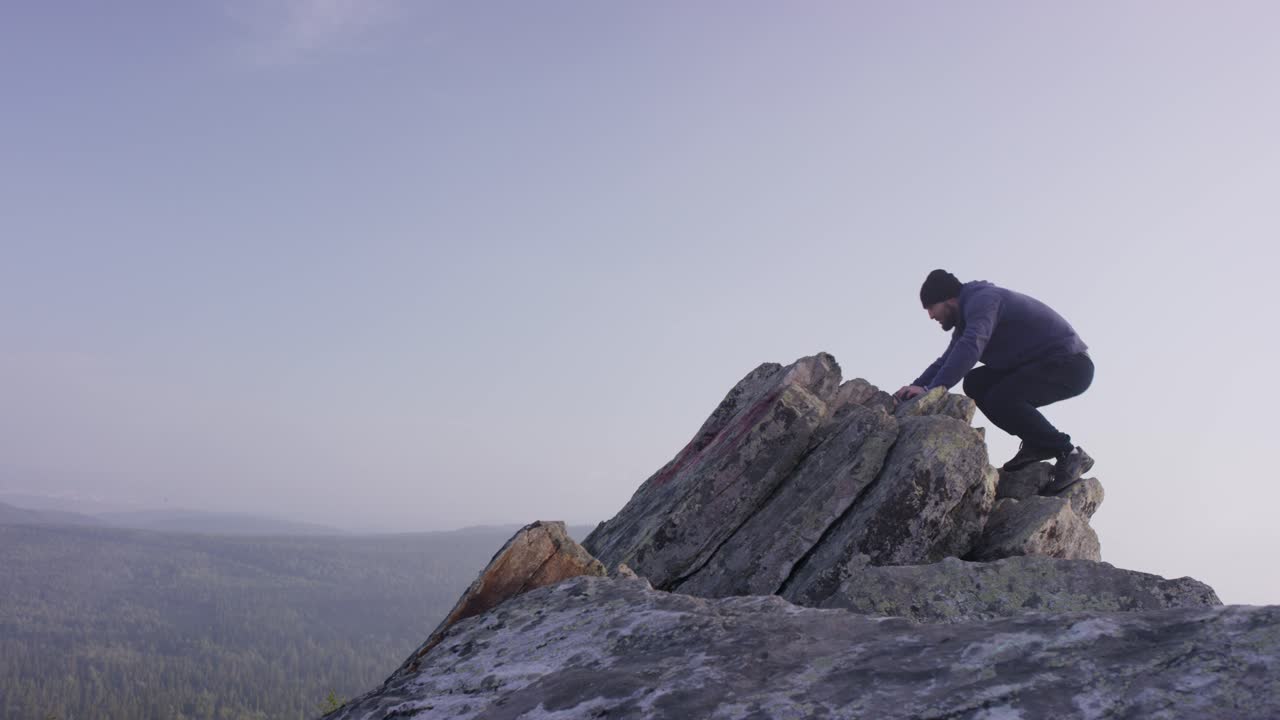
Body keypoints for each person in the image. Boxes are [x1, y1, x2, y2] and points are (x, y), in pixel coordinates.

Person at [893, 269, 1094, 492]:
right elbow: (946, 360)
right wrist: (918, 388)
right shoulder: (967, 318)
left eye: (931, 307)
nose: (931, 315)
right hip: (1042, 365)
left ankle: (1070, 453)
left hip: (1070, 364)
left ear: (948, 299)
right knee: (976, 382)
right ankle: (1037, 442)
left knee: (1002, 397)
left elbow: (971, 346)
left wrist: (932, 390)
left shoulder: (983, 300)